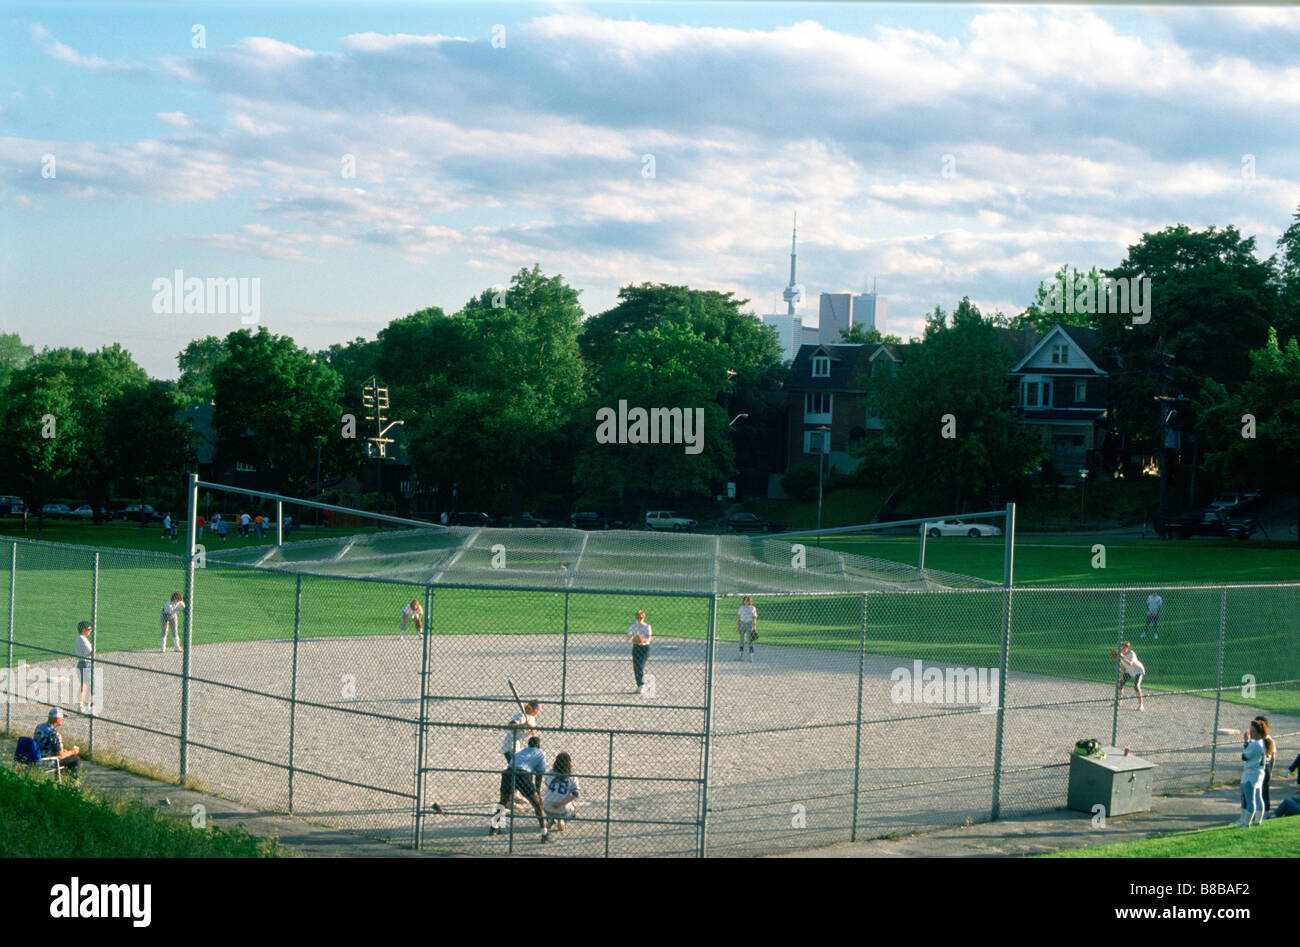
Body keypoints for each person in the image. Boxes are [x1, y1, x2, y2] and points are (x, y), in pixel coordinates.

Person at [489, 736, 549, 841]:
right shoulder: (541, 753)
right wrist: (537, 792)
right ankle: (544, 834)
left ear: (528, 745)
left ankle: (494, 827)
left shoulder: (521, 752)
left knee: (503, 801)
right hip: (522, 774)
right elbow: (539, 774)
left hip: (508, 773)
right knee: (537, 804)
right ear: (539, 745)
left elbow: (512, 761)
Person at [1238, 720, 1267, 827]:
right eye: (1251, 730)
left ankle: (1246, 823)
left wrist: (1246, 742)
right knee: (1259, 797)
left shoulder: (1255, 744)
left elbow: (1244, 756)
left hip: (1251, 774)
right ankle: (1258, 820)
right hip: (1259, 773)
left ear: (1259, 733)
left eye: (1253, 731)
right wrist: (1248, 741)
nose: (1252, 733)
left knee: (1250, 799)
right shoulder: (1262, 742)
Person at [543, 752, 580, 832]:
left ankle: (550, 819)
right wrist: (560, 804)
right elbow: (575, 794)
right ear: (570, 764)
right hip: (562, 809)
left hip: (547, 806)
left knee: (550, 797)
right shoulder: (572, 777)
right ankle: (562, 820)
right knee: (573, 808)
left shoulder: (551, 773)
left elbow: (546, 783)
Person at [501, 700, 540, 768]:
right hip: (512, 747)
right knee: (515, 767)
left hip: (521, 749)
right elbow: (510, 726)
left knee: (518, 768)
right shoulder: (521, 716)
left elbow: (534, 732)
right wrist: (523, 724)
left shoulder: (532, 719)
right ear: (536, 710)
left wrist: (531, 727)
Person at [1110, 641, 1145, 711]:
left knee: (1136, 686)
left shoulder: (1131, 653)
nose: (1123, 649)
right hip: (1129, 671)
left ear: (1128, 648)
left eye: (1125, 647)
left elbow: (1130, 663)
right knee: (1120, 684)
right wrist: (1122, 675)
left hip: (1138, 671)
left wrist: (1122, 657)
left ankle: (1141, 705)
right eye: (1122, 647)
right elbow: (1122, 665)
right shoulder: (1121, 654)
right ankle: (1118, 701)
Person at [627, 609, 653, 694]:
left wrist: (642, 640)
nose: (639, 619)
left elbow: (649, 638)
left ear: (644, 618)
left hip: (645, 648)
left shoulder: (647, 626)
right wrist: (631, 638)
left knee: (640, 666)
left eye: (641, 618)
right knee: (636, 667)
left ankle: (642, 685)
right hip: (636, 648)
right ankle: (639, 685)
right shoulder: (633, 626)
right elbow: (628, 637)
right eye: (638, 617)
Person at [1254, 716, 1276, 812]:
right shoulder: (1267, 739)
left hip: (1260, 767)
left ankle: (1261, 811)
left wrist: (1270, 770)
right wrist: (1270, 770)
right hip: (1265, 767)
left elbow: (1273, 756)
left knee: (1259, 791)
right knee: (1263, 791)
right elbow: (1273, 757)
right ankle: (1264, 810)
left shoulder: (1263, 740)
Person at [75, 620, 94, 714]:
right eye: (89, 629)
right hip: (86, 664)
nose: (90, 631)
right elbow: (89, 653)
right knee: (89, 686)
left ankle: (81, 705)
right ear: (83, 629)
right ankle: (87, 706)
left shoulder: (78, 638)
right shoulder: (83, 639)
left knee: (84, 686)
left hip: (81, 663)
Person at [736, 595, 758, 661]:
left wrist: (754, 627)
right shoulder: (741, 607)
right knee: (741, 640)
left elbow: (754, 618)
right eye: (745, 600)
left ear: (750, 601)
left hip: (749, 624)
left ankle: (751, 657)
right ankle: (740, 656)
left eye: (748, 600)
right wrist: (738, 627)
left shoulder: (752, 608)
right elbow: (739, 618)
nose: (746, 602)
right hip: (742, 623)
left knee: (750, 640)